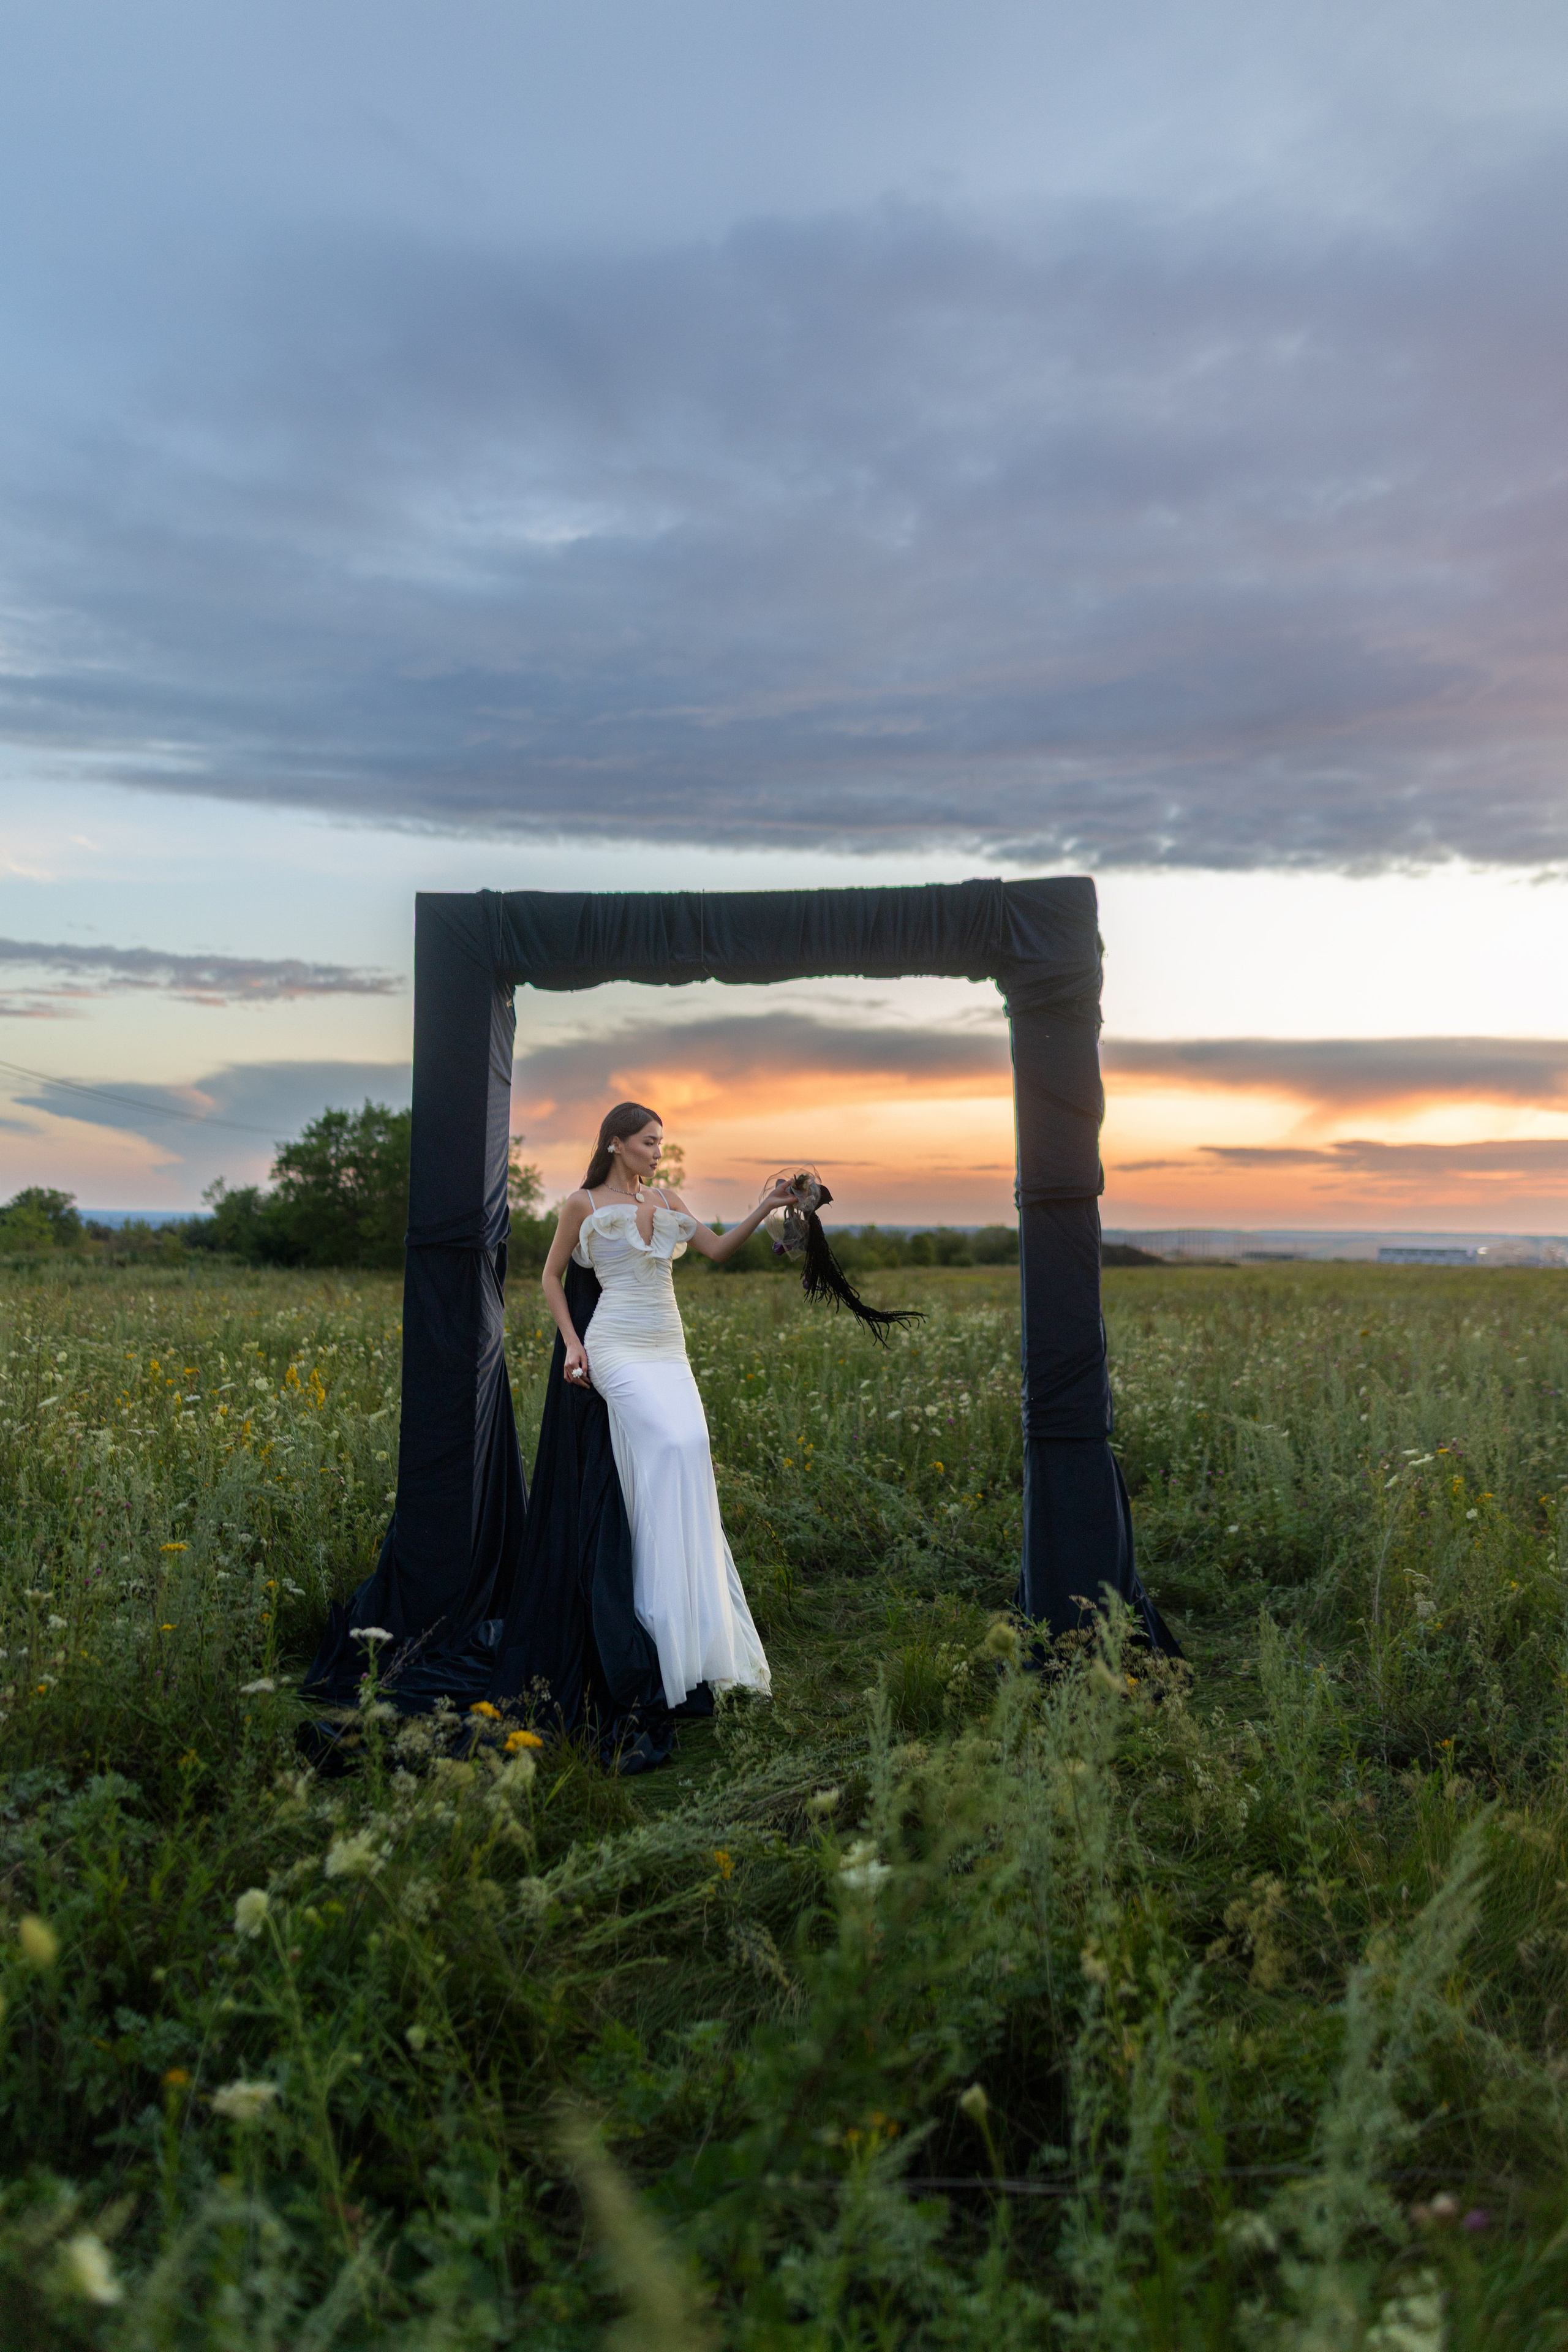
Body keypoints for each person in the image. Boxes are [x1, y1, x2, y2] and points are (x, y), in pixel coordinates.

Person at [535, 1101, 794, 1714]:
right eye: (649, 1142)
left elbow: (719, 1250)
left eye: (661, 1142)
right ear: (616, 1143)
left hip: (667, 1346)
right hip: (615, 1346)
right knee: (666, 1448)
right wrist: (573, 1346)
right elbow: (549, 1277)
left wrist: (767, 1205)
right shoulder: (584, 1205)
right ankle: (650, 1616)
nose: (658, 1151)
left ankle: (694, 1621)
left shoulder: (671, 1201)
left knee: (693, 1452)